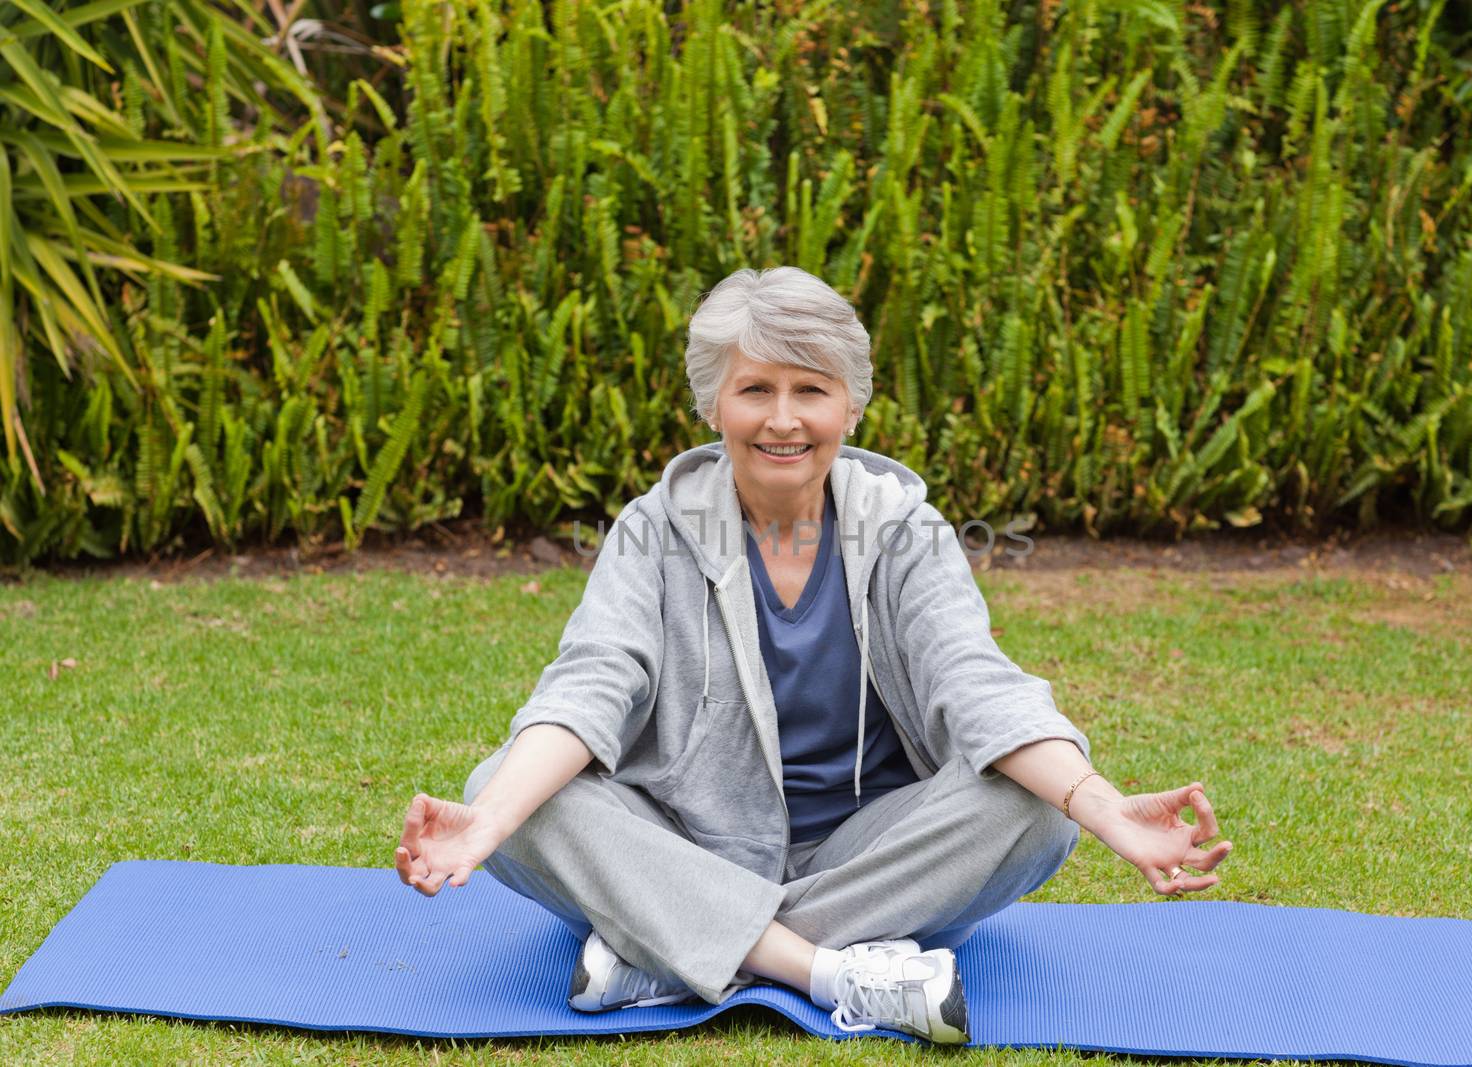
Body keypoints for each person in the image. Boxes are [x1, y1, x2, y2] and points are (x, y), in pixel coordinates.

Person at [395, 266, 1232, 1045]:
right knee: (503, 794)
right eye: (755, 389)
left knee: (1037, 810)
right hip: (686, 839)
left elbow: (976, 686)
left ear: (850, 407)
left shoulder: (904, 529)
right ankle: (832, 970)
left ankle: (665, 948)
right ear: (714, 405)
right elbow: (590, 685)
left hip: (869, 849)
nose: (784, 418)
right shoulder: (651, 530)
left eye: (811, 390)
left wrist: (1104, 802)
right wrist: (489, 826)